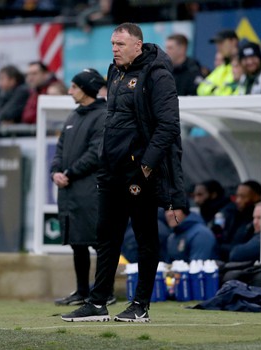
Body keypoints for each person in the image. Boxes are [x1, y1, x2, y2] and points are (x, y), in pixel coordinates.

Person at [61, 22, 187, 323]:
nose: (114, 49)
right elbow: (114, 121)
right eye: (113, 44)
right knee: (106, 236)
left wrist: (146, 164)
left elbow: (169, 125)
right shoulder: (115, 71)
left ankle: (141, 304)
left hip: (139, 171)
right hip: (111, 169)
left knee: (144, 236)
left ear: (138, 46)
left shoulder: (158, 75)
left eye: (120, 44)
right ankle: (97, 302)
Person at [50, 68, 110, 307]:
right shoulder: (73, 117)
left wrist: (69, 173)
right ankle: (82, 291)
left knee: (98, 241)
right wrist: (55, 171)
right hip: (70, 190)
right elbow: (60, 150)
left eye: (74, 86)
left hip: (89, 190)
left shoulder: (103, 115)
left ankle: (103, 290)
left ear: (85, 89)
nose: (70, 90)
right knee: (77, 241)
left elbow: (96, 153)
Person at [223, 202, 261, 288]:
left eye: (260, 218)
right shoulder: (251, 231)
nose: (255, 222)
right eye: (254, 218)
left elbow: (236, 254)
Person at [219, 180, 261, 261]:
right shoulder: (233, 215)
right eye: (237, 196)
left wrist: (220, 247)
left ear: (256, 197)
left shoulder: (256, 223)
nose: (238, 200)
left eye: (243, 197)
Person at [197, 29, 239, 96]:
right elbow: (201, 89)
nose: (218, 47)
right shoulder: (222, 67)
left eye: (221, 43)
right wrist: (214, 89)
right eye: (217, 44)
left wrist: (215, 90)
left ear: (233, 41)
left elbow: (230, 94)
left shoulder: (244, 65)